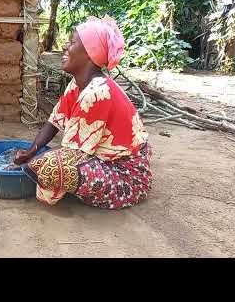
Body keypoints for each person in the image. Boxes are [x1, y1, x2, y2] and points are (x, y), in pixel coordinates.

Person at [14, 16, 152, 209]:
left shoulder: (97, 92)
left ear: (89, 53)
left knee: (51, 165)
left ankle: (35, 181)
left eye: (71, 43)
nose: (65, 47)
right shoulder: (77, 84)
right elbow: (54, 122)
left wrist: (28, 164)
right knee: (43, 161)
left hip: (127, 179)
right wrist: (31, 151)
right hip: (107, 164)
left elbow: (72, 154)